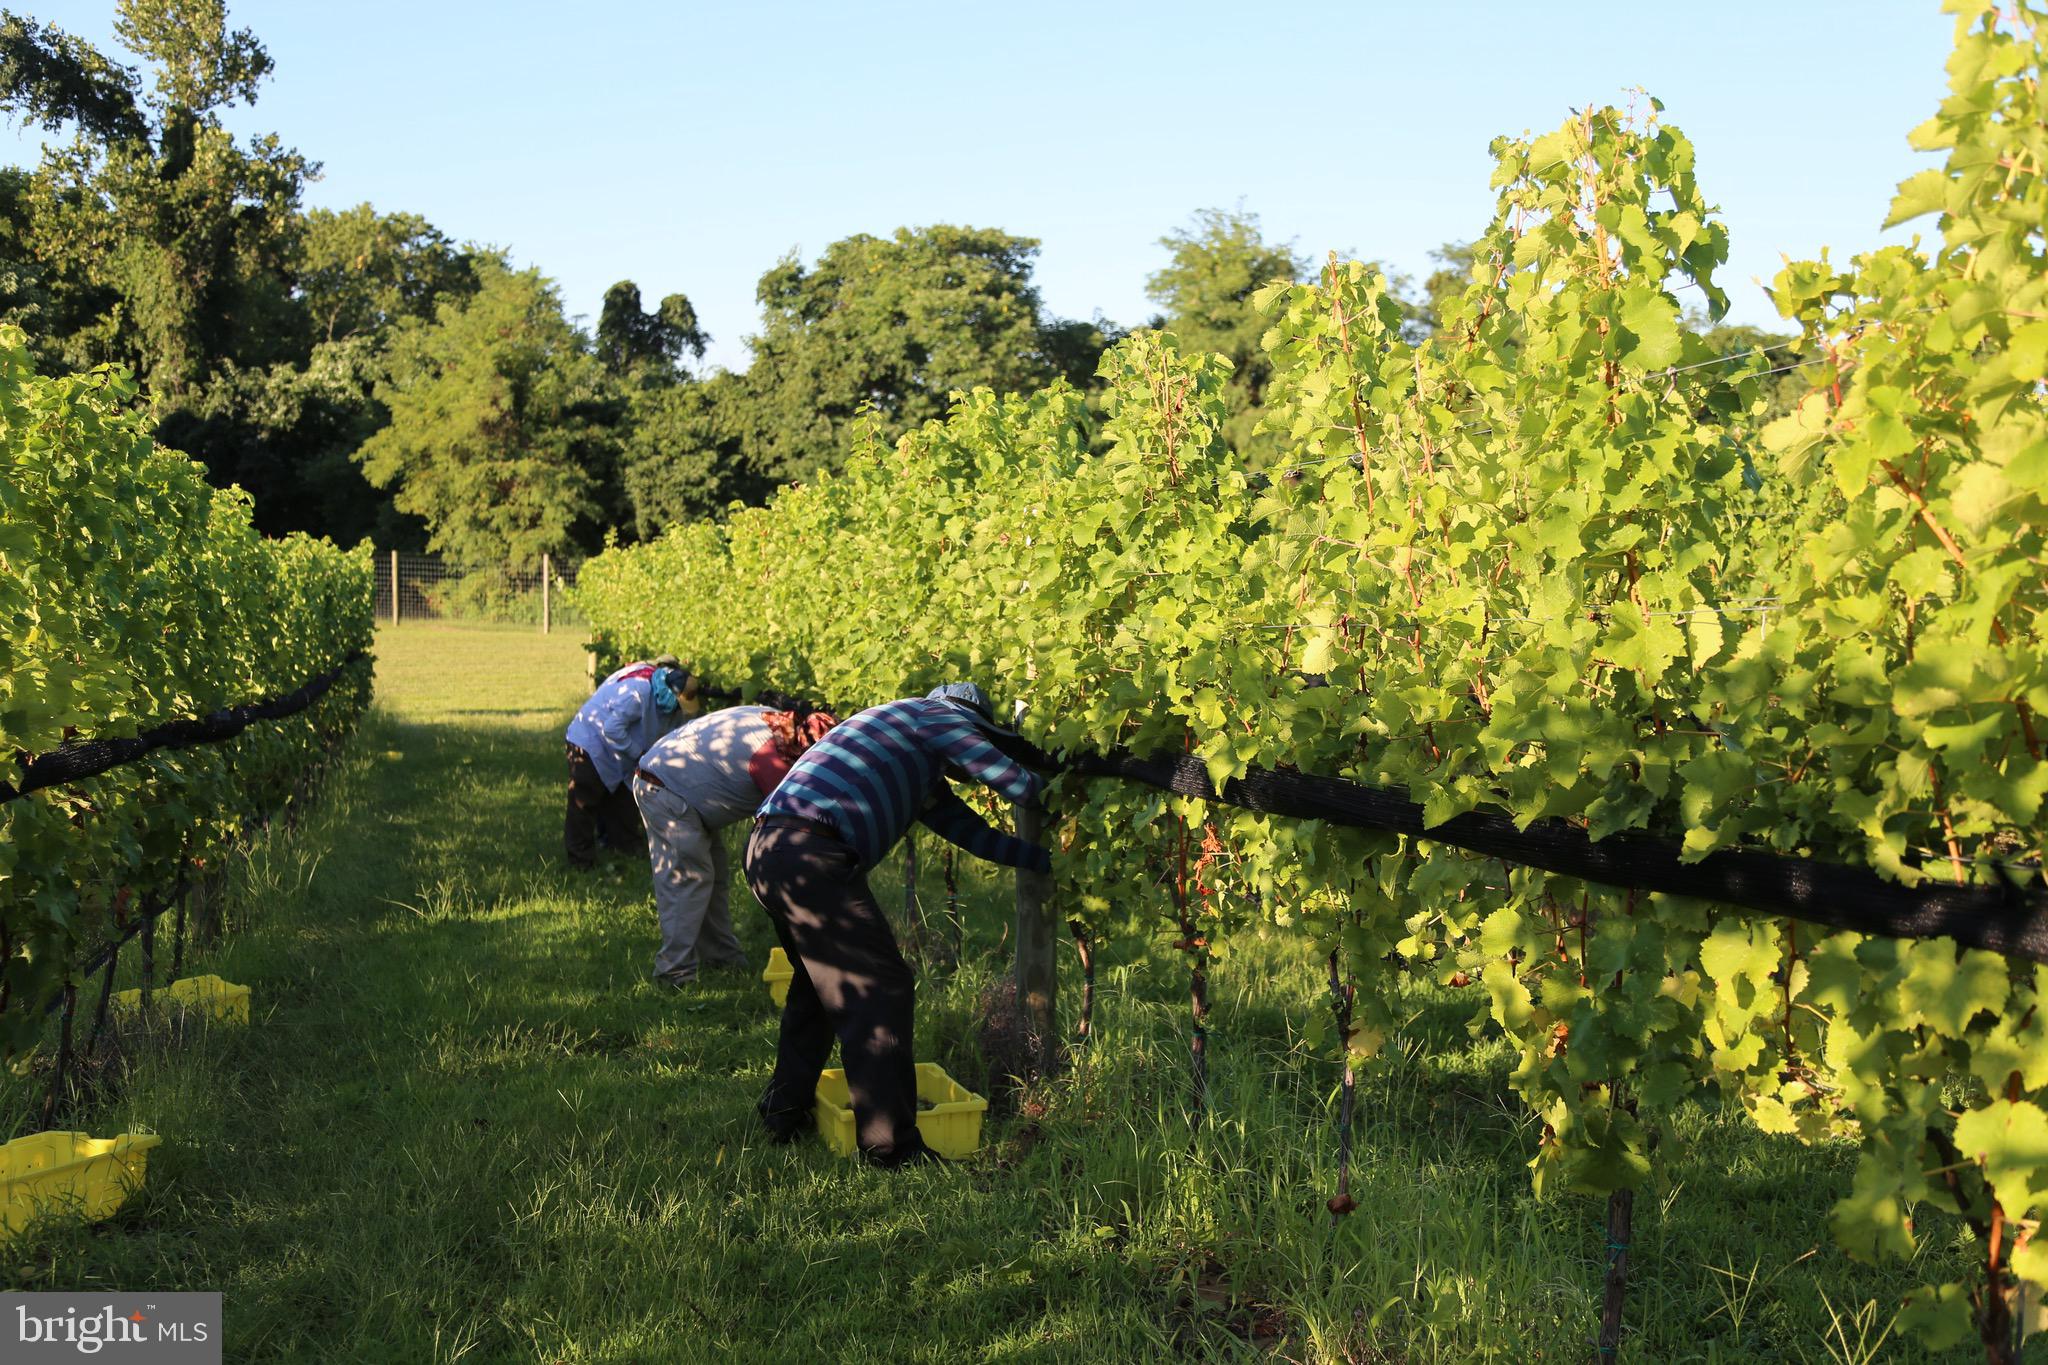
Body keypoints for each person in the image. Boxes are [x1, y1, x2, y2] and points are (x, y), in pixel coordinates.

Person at [745, 681, 1052, 1168]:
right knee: (881, 989)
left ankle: (783, 1113)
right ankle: (892, 1147)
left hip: (770, 850)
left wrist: (1045, 860)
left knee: (817, 990)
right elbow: (1019, 786)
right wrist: (1059, 777)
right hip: (808, 852)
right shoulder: (931, 717)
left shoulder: (916, 760)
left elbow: (974, 836)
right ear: (968, 722)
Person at [632, 703, 840, 989]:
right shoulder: (772, 762)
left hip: (678, 786)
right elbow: (789, 821)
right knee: (688, 882)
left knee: (713, 879)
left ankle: (722, 958)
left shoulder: (779, 724)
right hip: (665, 789)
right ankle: (674, 975)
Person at [563, 655, 695, 868]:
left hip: (621, 751)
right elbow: (612, 729)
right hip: (590, 742)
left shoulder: (664, 695)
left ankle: (625, 849)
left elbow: (669, 731)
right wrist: (639, 753)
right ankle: (581, 861)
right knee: (584, 800)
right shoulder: (637, 692)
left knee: (624, 800)